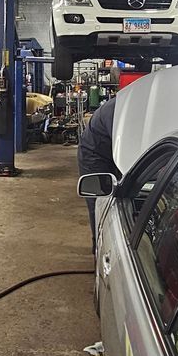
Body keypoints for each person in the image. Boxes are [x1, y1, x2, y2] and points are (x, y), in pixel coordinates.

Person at [77, 95, 120, 253]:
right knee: (100, 202)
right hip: (94, 155)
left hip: (109, 150)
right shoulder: (119, 111)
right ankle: (100, 248)